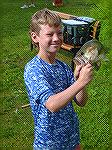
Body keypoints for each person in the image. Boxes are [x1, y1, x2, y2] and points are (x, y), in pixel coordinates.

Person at [24, 8, 93, 150]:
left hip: (71, 138)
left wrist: (80, 81)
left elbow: (81, 101)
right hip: (49, 144)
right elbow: (52, 105)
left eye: (59, 33)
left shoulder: (62, 66)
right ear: (34, 37)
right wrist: (80, 82)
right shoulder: (33, 69)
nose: (56, 38)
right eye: (50, 34)